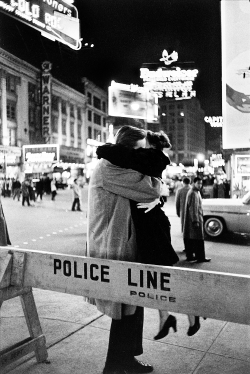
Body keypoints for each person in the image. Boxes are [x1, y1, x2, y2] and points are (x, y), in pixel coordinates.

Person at [87, 125, 165, 374]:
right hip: (114, 246)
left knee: (133, 305)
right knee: (124, 309)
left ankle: (127, 359)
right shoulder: (110, 167)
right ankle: (114, 365)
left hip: (126, 242)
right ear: (129, 149)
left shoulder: (120, 165)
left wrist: (156, 198)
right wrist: (156, 191)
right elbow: (150, 188)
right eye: (140, 151)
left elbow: (152, 194)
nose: (143, 156)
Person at [183, 176, 211, 264]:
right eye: (198, 183)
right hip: (195, 220)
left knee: (191, 239)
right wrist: (196, 221)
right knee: (198, 239)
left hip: (192, 220)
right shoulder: (194, 193)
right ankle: (200, 257)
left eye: (201, 183)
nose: (200, 185)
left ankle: (191, 256)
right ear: (194, 183)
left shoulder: (195, 192)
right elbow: (193, 208)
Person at [175, 177, 191, 257]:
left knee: (185, 230)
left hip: (183, 213)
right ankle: (193, 248)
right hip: (191, 213)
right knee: (191, 230)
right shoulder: (192, 190)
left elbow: (177, 203)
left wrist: (178, 212)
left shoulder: (180, 191)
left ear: (183, 182)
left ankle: (187, 247)